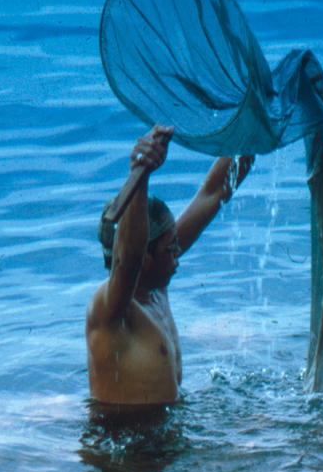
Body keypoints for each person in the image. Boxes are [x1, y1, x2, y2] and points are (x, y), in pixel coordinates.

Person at [86, 124, 253, 406]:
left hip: (166, 431)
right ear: (145, 259)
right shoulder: (110, 310)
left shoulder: (155, 284)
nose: (179, 252)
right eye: (170, 247)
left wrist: (251, 130)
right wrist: (140, 173)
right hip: (128, 444)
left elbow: (212, 194)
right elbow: (127, 261)